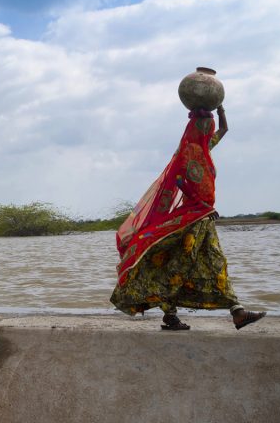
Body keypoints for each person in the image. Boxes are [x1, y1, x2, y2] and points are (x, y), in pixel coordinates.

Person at [111, 106, 266, 330]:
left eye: (208, 125)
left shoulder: (205, 147)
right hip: (192, 218)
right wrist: (201, 204)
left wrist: (220, 108)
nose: (208, 128)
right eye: (204, 125)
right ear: (195, 127)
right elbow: (179, 181)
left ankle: (236, 312)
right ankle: (185, 315)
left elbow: (225, 129)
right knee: (178, 265)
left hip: (204, 217)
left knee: (211, 262)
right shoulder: (186, 152)